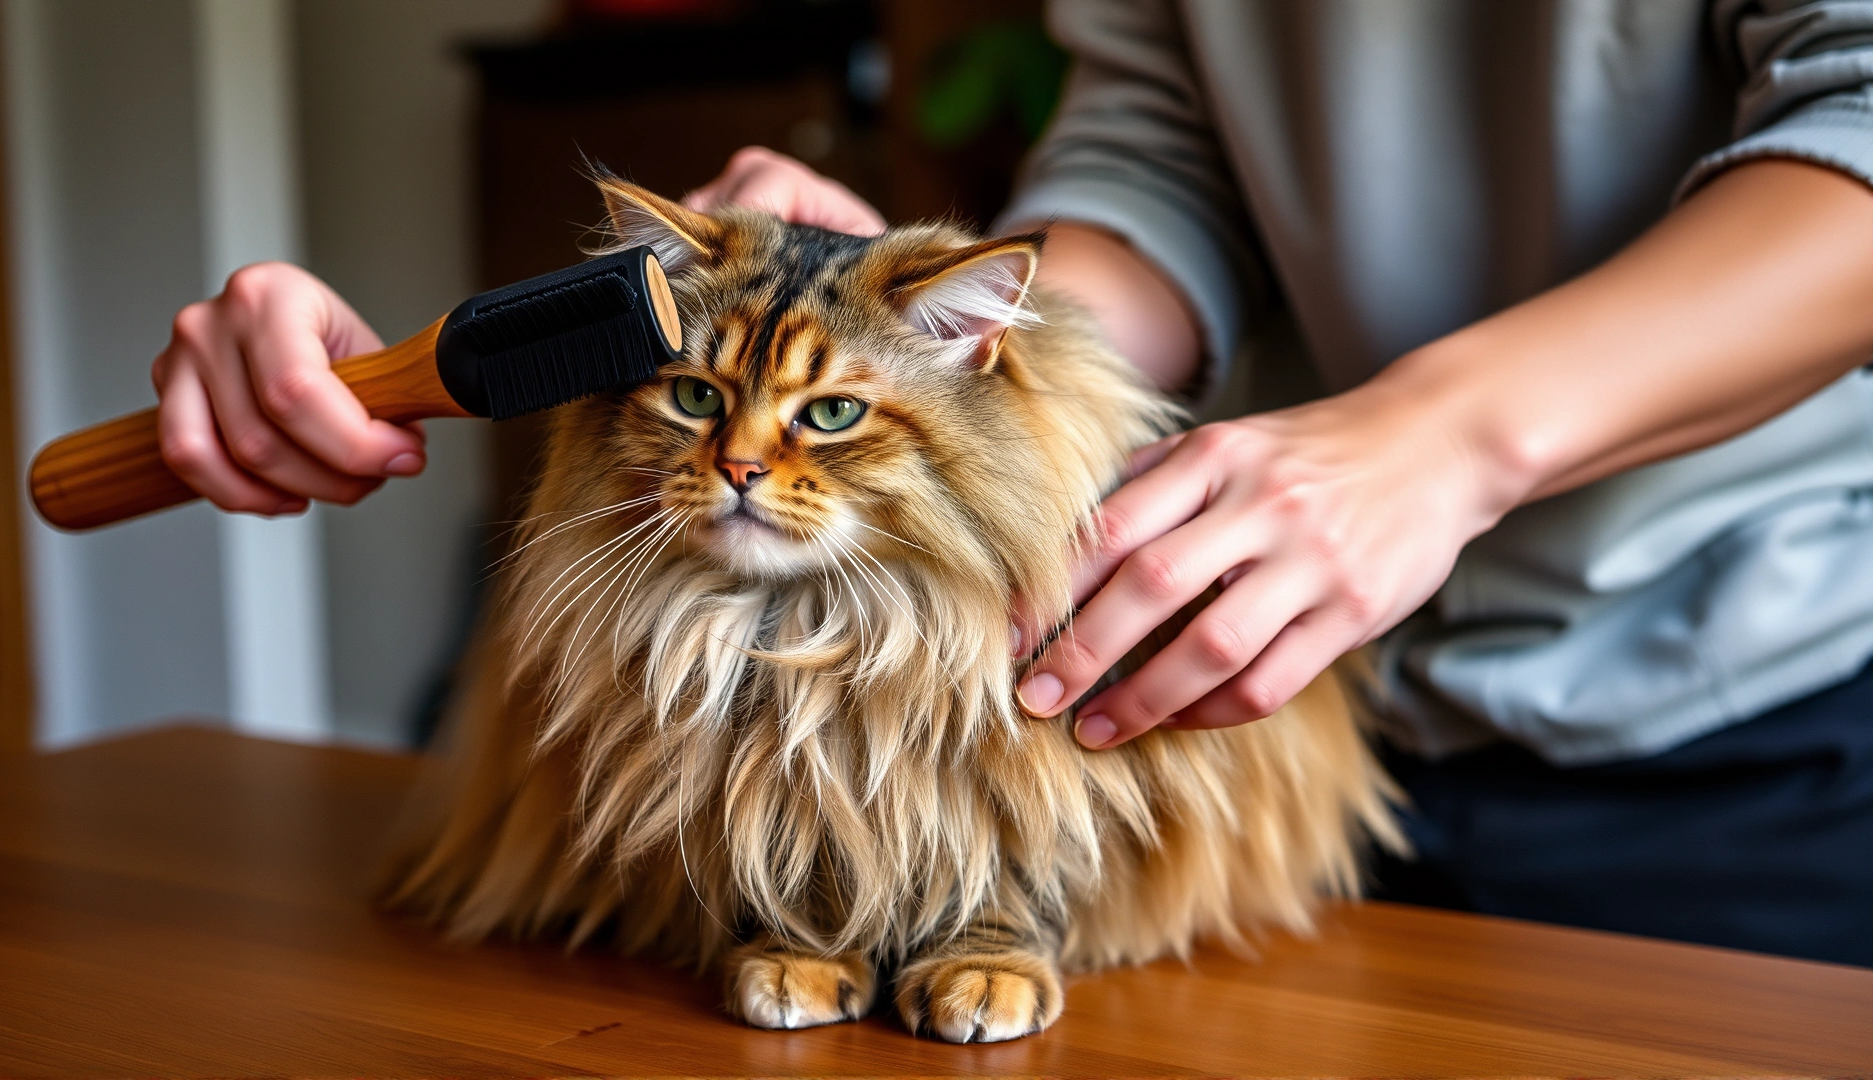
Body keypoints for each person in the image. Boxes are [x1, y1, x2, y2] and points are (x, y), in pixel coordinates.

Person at [152, 2, 1873, 965]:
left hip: (1753, 711)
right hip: (1273, 717)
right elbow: (1156, 161)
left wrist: (1444, 436)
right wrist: (914, 335)